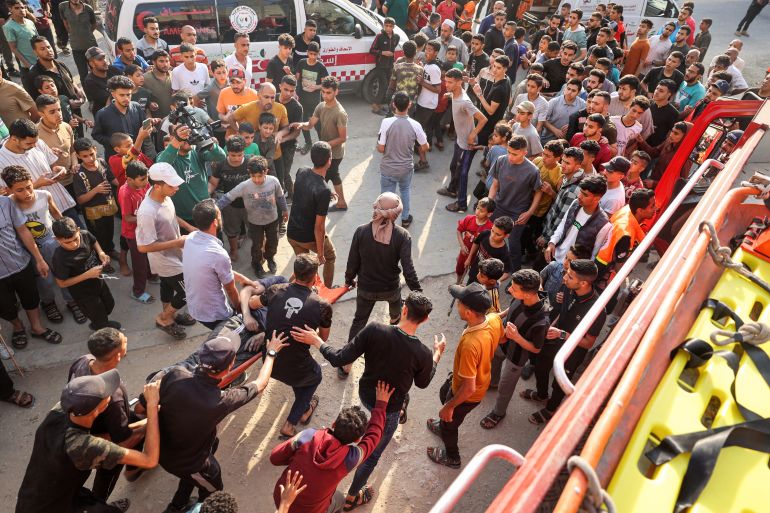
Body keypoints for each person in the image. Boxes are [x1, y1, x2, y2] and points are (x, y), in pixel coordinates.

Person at [291, 293, 443, 510]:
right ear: (425, 319)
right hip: (389, 407)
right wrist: (436, 356)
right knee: (371, 455)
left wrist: (317, 340)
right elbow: (422, 382)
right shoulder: (423, 354)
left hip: (367, 395)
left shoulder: (374, 330)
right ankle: (352, 497)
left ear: (404, 310)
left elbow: (339, 358)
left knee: (370, 423)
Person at [154, 328, 288, 513]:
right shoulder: (221, 401)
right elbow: (260, 383)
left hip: (162, 448)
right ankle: (177, 508)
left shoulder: (176, 374)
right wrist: (271, 352)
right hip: (189, 462)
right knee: (214, 491)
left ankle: (180, 501)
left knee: (211, 446)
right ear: (231, 365)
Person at [15, 371, 161, 513]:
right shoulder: (83, 447)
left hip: (37, 496)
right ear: (98, 410)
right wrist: (152, 407)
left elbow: (101, 438)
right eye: (106, 394)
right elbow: (149, 460)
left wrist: (145, 423)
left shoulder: (59, 411)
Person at [242, 253, 332, 440]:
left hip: (270, 360)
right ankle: (290, 424)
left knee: (301, 377)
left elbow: (253, 303)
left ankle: (305, 409)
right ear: (315, 276)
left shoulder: (275, 290)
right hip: (295, 364)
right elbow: (323, 337)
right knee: (314, 375)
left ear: (294, 273)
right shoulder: (322, 305)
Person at [270, 382, 395, 513]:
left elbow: (274, 458)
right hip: (312, 511)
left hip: (282, 497)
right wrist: (381, 405)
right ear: (357, 440)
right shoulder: (349, 459)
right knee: (339, 499)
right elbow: (373, 437)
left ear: (334, 424)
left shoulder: (308, 436)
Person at [426, 281, 502, 468]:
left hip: (468, 394)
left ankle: (452, 457)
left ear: (468, 312)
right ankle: (443, 425)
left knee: (449, 423)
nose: (457, 305)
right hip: (477, 381)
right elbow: (503, 337)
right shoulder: (493, 319)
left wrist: (449, 407)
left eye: (459, 303)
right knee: (444, 394)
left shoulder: (470, 344)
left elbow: (468, 388)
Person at [67, 328, 146, 501]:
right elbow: (122, 440)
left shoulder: (83, 361)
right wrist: (150, 421)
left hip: (87, 423)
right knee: (109, 470)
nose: (126, 338)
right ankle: (100, 503)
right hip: (105, 433)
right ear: (118, 355)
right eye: (124, 340)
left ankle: (134, 468)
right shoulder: (112, 396)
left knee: (137, 420)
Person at [526, 259, 606, 424]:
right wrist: (551, 327)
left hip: (572, 351)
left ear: (583, 283)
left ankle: (550, 409)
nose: (564, 278)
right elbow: (560, 311)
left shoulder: (597, 310)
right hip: (554, 339)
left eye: (569, 276)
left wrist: (562, 334)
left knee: (560, 383)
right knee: (540, 367)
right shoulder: (569, 288)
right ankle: (541, 395)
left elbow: (588, 343)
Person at [479, 269, 549, 429]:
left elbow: (536, 349)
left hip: (517, 356)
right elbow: (512, 308)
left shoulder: (541, 321)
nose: (509, 289)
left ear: (528, 295)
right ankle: (492, 382)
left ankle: (498, 412)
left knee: (506, 386)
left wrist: (516, 337)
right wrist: (498, 317)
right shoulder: (525, 296)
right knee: (495, 359)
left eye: (514, 288)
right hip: (503, 341)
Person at [136, 162, 196, 340]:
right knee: (189, 291)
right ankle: (164, 318)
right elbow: (143, 247)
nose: (176, 188)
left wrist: (189, 227)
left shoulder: (164, 196)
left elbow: (171, 215)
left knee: (167, 286)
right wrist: (177, 242)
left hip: (176, 253)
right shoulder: (147, 212)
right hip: (165, 260)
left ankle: (171, 315)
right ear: (157, 186)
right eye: (171, 185)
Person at [0, 192, 62, 349]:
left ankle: (36, 327)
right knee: (4, 306)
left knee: (30, 297)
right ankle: (18, 326)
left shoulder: (5, 203)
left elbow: (23, 230)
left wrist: (39, 259)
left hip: (20, 263)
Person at [217, 156, 288, 277]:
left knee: (273, 242)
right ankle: (256, 264)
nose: (257, 180)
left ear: (266, 171)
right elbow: (228, 197)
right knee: (256, 246)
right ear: (249, 173)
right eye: (253, 176)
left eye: (260, 176)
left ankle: (270, 258)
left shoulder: (273, 181)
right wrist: (215, 208)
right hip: (254, 223)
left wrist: (285, 210)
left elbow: (280, 197)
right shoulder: (244, 186)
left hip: (272, 220)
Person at [0, 118, 79, 225]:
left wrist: (57, 170)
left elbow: (53, 165)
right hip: (38, 217)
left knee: (79, 233)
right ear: (14, 139)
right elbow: (8, 195)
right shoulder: (1, 161)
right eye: (29, 143)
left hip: (62, 203)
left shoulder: (38, 143)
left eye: (35, 142)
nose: (34, 146)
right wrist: (37, 184)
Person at [52, 216, 120, 331]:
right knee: (98, 316)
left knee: (109, 304)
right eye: (67, 242)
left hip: (98, 282)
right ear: (56, 239)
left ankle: (99, 323)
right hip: (84, 294)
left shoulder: (85, 234)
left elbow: (94, 241)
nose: (74, 244)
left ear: (78, 230)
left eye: (75, 239)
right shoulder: (59, 258)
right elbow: (61, 283)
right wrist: (87, 275)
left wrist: (101, 253)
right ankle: (101, 326)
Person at [487, 135, 543, 273]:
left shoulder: (532, 171)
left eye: (515, 154)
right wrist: (489, 202)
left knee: (513, 244)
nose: (510, 157)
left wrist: (529, 213)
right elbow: (495, 184)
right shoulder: (501, 160)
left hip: (517, 212)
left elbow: (538, 192)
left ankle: (514, 274)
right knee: (489, 234)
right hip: (499, 206)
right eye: (509, 152)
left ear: (525, 152)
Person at [285, 142, 337, 287]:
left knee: (305, 268)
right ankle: (327, 290)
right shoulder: (323, 190)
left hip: (292, 233)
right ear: (329, 161)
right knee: (330, 256)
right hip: (307, 237)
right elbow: (319, 227)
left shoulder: (301, 171)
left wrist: (323, 195)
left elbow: (301, 190)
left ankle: (285, 289)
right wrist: (320, 254)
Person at [157, 122, 226, 228]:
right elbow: (161, 166)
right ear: (172, 137)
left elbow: (220, 156)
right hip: (182, 218)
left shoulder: (197, 151)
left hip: (205, 212)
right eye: (181, 133)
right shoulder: (168, 156)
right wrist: (177, 141)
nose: (186, 137)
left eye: (188, 132)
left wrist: (207, 141)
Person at [296, 75, 349, 211]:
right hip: (325, 151)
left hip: (335, 153)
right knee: (332, 175)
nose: (325, 95)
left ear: (336, 91)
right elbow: (310, 124)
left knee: (324, 177)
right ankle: (338, 202)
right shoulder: (321, 106)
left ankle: (325, 203)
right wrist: (301, 125)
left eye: (328, 93)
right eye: (323, 92)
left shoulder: (340, 113)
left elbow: (343, 138)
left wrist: (325, 146)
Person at [377, 91, 428, 227]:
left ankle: (385, 221)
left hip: (388, 168)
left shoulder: (386, 122)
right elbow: (425, 146)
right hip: (406, 168)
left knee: (387, 196)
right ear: (409, 104)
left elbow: (381, 148)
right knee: (405, 191)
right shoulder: (415, 125)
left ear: (394, 105)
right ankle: (405, 218)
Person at [545, 174, 611, 265]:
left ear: (597, 198)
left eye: (585, 195)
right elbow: (563, 224)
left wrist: (576, 271)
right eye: (580, 191)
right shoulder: (575, 203)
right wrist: (552, 242)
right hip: (555, 254)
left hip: (571, 268)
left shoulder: (603, 224)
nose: (579, 196)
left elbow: (594, 254)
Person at [93, 75, 156, 160]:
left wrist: (149, 127)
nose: (126, 98)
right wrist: (115, 142)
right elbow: (96, 135)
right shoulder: (102, 114)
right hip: (117, 159)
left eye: (128, 95)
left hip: (139, 156)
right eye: (122, 95)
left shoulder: (136, 107)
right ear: (113, 94)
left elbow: (144, 127)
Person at [295, 41, 328, 154]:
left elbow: (325, 84)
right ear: (307, 52)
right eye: (311, 54)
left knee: (317, 124)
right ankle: (308, 143)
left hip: (315, 100)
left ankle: (322, 145)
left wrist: (316, 87)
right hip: (302, 98)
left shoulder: (320, 66)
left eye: (315, 54)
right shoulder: (301, 63)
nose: (313, 57)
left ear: (318, 54)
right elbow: (297, 79)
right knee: (304, 122)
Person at [465, 215, 513, 286]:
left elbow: (507, 272)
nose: (493, 235)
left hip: (485, 282)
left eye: (498, 234)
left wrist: (497, 281)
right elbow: (476, 243)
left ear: (506, 236)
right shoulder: (485, 233)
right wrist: (469, 258)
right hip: (474, 271)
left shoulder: (504, 252)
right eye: (492, 230)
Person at [455, 197, 494, 282]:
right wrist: (462, 246)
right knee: (460, 268)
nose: (477, 212)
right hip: (464, 252)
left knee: (473, 273)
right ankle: (458, 282)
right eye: (477, 208)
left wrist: (470, 258)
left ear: (489, 214)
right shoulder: (469, 219)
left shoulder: (490, 228)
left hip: (478, 257)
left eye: (481, 211)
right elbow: (459, 230)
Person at [58, 0, 97, 80]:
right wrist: (72, 33)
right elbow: (65, 21)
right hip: (76, 48)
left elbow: (94, 24)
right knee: (83, 75)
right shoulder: (62, 6)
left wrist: (86, 33)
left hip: (91, 46)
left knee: (96, 71)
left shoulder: (88, 8)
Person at [539, 78, 585, 144]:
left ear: (578, 93)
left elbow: (582, 124)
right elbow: (542, 119)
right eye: (568, 89)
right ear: (565, 88)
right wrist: (555, 130)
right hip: (548, 139)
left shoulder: (582, 104)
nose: (569, 92)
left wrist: (573, 125)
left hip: (568, 142)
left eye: (573, 91)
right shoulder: (554, 102)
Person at [369, 17, 399, 114]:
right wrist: (382, 52)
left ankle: (380, 105)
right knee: (382, 85)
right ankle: (375, 107)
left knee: (388, 86)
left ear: (393, 27)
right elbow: (372, 50)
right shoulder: (379, 36)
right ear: (383, 26)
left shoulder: (396, 37)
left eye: (390, 26)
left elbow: (393, 48)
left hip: (390, 65)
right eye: (386, 26)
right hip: (380, 65)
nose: (388, 28)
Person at [82, 46, 119, 116]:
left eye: (104, 57)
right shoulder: (90, 81)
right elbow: (109, 100)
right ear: (92, 64)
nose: (104, 61)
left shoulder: (112, 69)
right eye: (100, 59)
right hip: (106, 115)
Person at [3, 0, 37, 75]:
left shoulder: (30, 22)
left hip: (40, 61)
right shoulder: (8, 27)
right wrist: (29, 65)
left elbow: (38, 41)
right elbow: (13, 48)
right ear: (10, 9)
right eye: (16, 8)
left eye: (22, 7)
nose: (21, 10)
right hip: (28, 66)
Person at [143, 50, 174, 118]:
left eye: (167, 61)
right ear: (154, 62)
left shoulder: (174, 75)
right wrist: (149, 104)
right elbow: (140, 98)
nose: (165, 64)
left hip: (175, 119)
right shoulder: (145, 78)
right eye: (161, 61)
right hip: (156, 120)